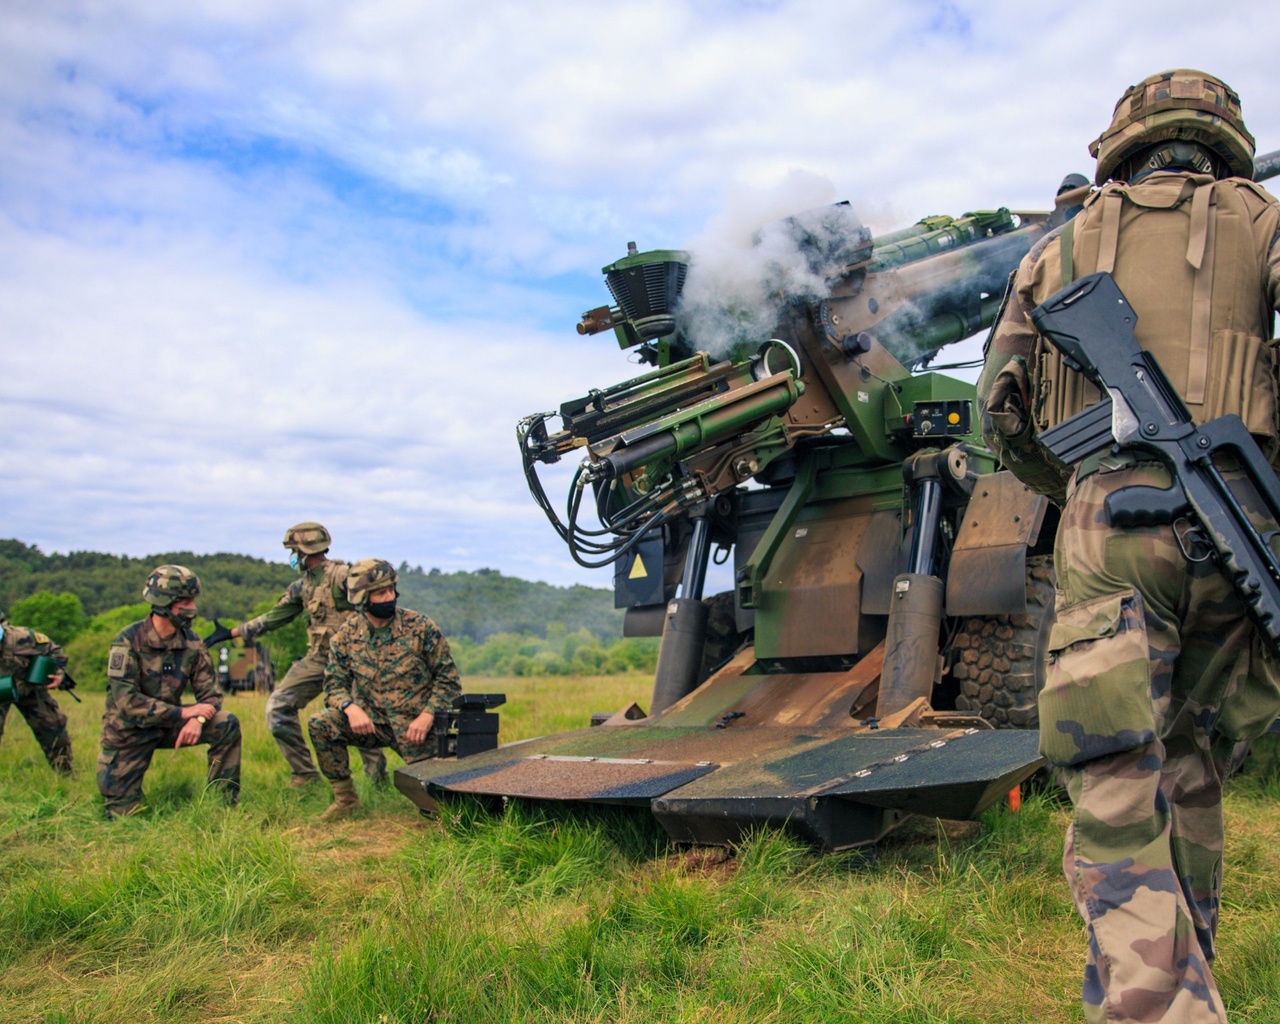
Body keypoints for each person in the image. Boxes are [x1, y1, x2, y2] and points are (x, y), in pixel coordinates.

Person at [978, 70, 1280, 1024]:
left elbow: (1003, 409)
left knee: (1114, 776)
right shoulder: (1265, 223)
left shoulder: (1056, 249)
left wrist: (1073, 485)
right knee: (1188, 762)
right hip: (1242, 521)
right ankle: (1174, 984)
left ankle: (1161, 1009)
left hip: (1110, 528)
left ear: (1124, 141)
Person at [204, 522, 387, 787]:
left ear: (301, 552)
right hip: (319, 659)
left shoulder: (342, 576)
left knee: (359, 717)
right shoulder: (302, 587)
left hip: (355, 661)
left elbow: (376, 600)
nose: (292, 557)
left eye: (293, 551)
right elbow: (274, 618)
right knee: (278, 708)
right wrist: (233, 632)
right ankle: (305, 775)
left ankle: (376, 784)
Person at [307, 558, 461, 821]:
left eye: (391, 589)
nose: (389, 597)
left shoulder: (420, 627)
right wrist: (349, 707)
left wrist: (427, 715)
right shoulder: (345, 637)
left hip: (419, 728)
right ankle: (346, 801)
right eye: (380, 592)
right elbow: (334, 685)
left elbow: (449, 681)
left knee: (442, 809)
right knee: (321, 723)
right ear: (362, 597)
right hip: (373, 723)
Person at [98, 565, 241, 818]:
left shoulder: (192, 643)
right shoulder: (127, 641)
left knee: (225, 723)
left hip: (169, 726)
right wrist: (183, 713)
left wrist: (197, 719)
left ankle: (223, 807)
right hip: (129, 732)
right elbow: (128, 703)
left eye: (193, 600)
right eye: (185, 601)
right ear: (163, 604)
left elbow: (211, 695)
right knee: (121, 816)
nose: (192, 607)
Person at [0, 608, 73, 774]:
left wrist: (58, 674)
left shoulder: (24, 637)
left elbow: (55, 652)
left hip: (29, 687)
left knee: (53, 728)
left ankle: (65, 776)